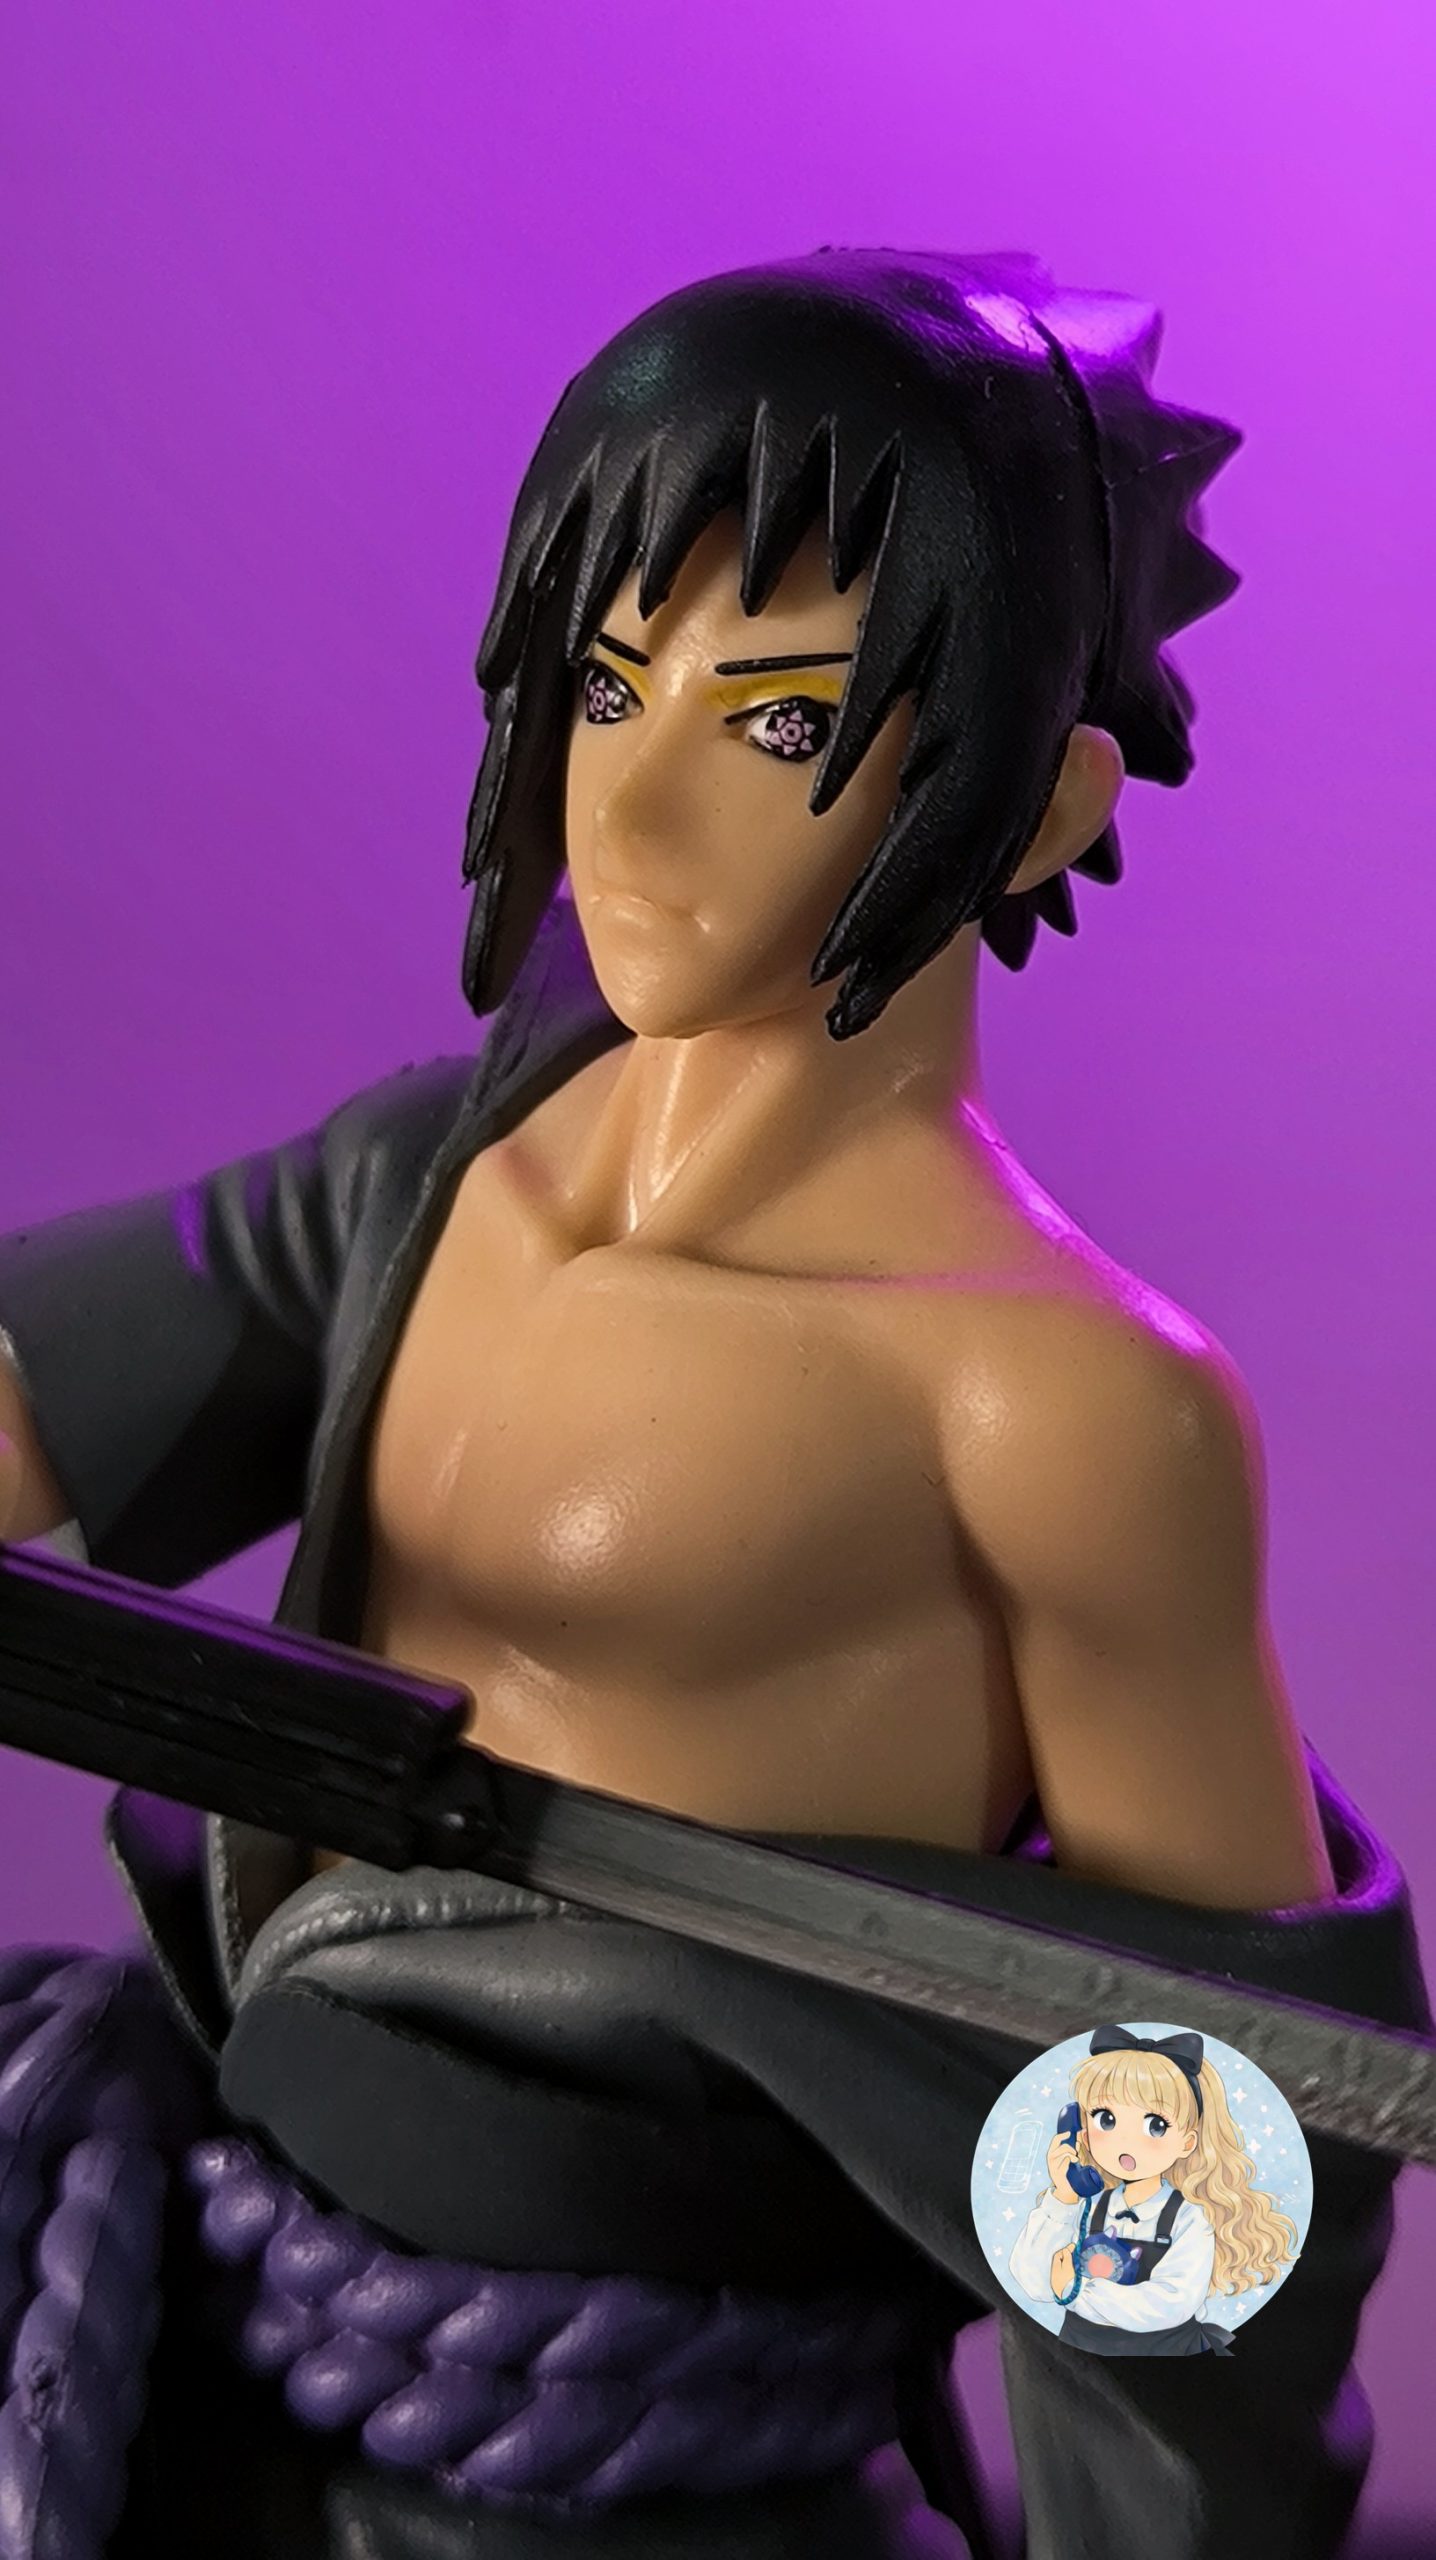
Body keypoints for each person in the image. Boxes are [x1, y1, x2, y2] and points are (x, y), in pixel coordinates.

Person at [0, 250, 1428, 2560]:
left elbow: (1210, 2119)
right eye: (605, 680)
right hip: (224, 2368)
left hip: (668, 2486)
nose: (634, 802)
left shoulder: (1057, 1400)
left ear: (1034, 802)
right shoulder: (436, 1173)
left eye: (774, 723)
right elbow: (31, 1391)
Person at [1009, 2027, 1299, 2356]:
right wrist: (1063, 2196)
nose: (1125, 2141)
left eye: (1155, 2125)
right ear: (1083, 2131)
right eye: (1106, 2119)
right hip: (1080, 2350)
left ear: (1187, 2142)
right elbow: (1034, 2282)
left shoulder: (1189, 2218)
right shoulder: (1086, 2206)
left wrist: (1077, 2292)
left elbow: (1170, 2302)